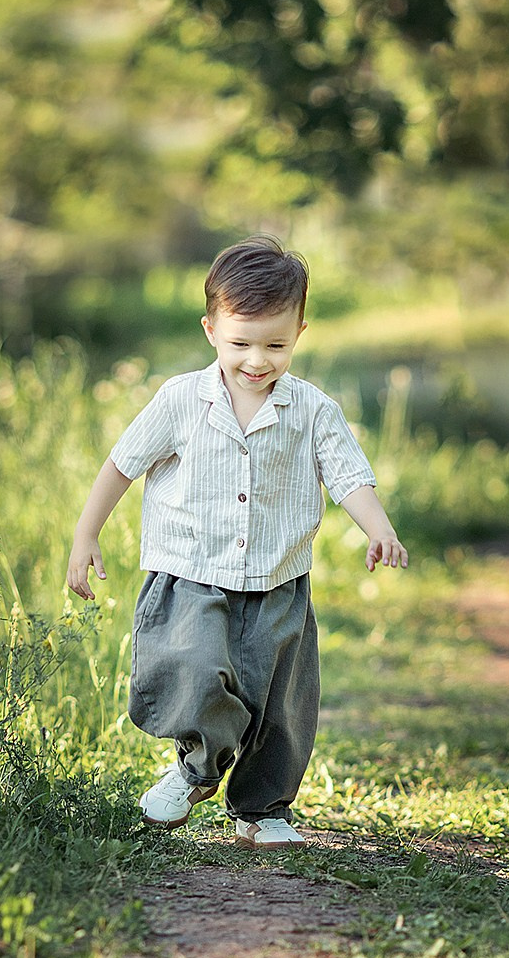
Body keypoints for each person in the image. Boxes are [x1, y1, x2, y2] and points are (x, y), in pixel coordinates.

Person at [66, 236, 409, 847]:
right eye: (240, 343)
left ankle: (261, 809)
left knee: (278, 704)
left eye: (276, 345)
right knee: (196, 674)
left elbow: (348, 475)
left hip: (278, 582)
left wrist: (378, 527)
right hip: (190, 574)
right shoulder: (180, 401)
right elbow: (122, 464)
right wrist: (85, 534)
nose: (257, 359)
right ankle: (195, 771)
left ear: (300, 331)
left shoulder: (313, 410)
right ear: (210, 330)